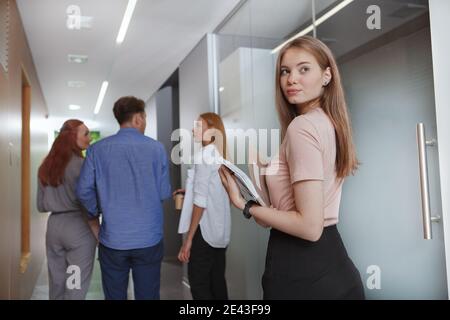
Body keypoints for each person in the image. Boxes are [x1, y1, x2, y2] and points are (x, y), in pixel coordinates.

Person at [219, 36, 365, 299]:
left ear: (327, 75)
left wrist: (245, 205)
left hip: (303, 269)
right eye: (285, 71)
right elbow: (292, 212)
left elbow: (309, 226)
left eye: (304, 69)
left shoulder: (302, 127)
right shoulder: (328, 122)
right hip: (332, 264)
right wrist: (268, 175)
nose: (291, 79)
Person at [76, 96, 172, 300]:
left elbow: (83, 190)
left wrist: (95, 214)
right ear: (138, 119)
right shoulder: (157, 149)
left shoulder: (96, 150)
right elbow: (164, 193)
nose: (144, 123)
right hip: (149, 239)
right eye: (144, 118)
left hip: (113, 239)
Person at [37, 119, 99, 300]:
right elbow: (88, 199)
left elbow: (40, 205)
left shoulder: (45, 166)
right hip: (78, 227)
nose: (89, 139)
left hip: (54, 227)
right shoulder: (82, 165)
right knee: (75, 285)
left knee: (56, 284)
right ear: (73, 137)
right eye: (86, 134)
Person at [176, 112, 231, 300]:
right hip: (220, 231)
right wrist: (188, 191)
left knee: (199, 284)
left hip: (204, 231)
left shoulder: (203, 156)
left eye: (199, 126)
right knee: (217, 281)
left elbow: (201, 202)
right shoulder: (219, 155)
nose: (193, 130)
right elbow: (214, 192)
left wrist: (189, 239)